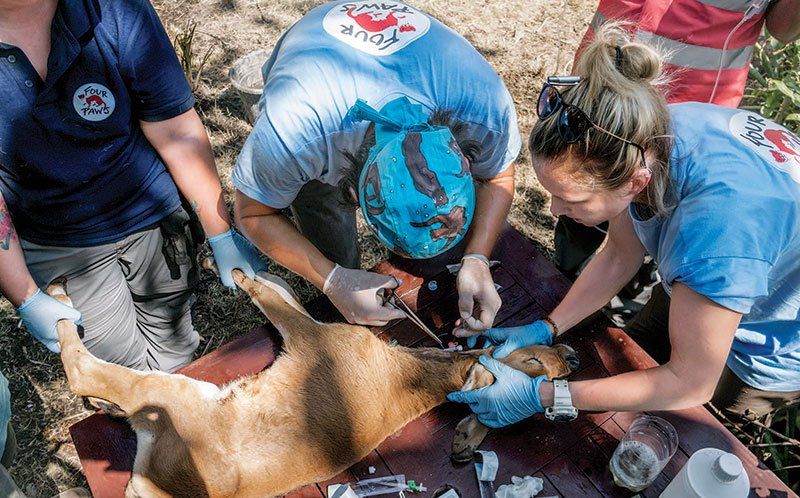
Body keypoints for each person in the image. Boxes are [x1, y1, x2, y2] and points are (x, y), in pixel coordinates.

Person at [449, 23, 800, 427]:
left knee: (673, 441)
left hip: (763, 345)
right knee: (631, 361)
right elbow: (619, 255)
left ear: (636, 180)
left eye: (572, 199)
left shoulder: (716, 236)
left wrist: (544, 394)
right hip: (716, 277)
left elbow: (691, 383)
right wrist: (547, 328)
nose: (554, 210)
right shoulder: (644, 137)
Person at [0, 0, 264, 372]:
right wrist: (26, 295)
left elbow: (173, 128)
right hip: (58, 239)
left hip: (151, 214)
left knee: (175, 350)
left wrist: (219, 233)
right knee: (121, 371)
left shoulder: (113, 9)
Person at [233, 1, 521, 328]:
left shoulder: (484, 106)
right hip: (312, 48)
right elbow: (253, 212)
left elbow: (498, 175)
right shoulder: (295, 134)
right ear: (354, 194)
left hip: (408, 62)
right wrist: (333, 280)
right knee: (317, 209)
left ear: (466, 160)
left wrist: (477, 257)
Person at [555, 0, 800, 288]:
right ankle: (560, 280)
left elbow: (784, 28)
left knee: (649, 230)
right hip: (604, 71)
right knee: (581, 192)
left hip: (687, 104)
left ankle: (621, 316)